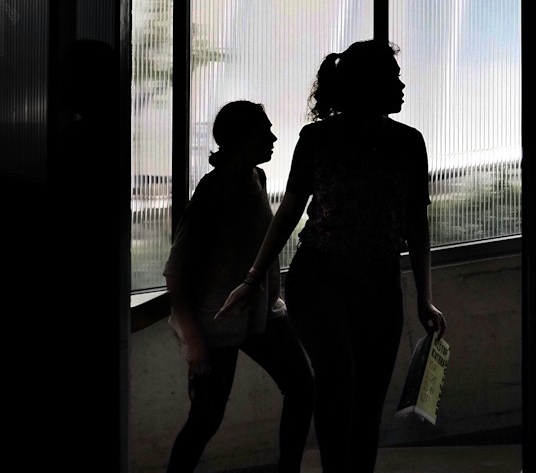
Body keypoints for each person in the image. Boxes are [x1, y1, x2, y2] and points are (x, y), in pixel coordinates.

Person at [215, 40, 446, 473]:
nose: (401, 85)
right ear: (367, 84)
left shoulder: (409, 143)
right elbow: (289, 210)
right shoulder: (319, 138)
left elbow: (417, 225)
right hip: (320, 281)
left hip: (379, 282)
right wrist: (252, 277)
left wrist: (423, 297)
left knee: (369, 398)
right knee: (339, 386)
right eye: (392, 77)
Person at [164, 101, 314, 473]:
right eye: (265, 131)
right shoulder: (212, 192)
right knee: (205, 420)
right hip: (216, 323)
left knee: (302, 386)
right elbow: (176, 274)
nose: (274, 137)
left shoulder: (257, 179)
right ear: (242, 139)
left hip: (260, 315)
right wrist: (195, 342)